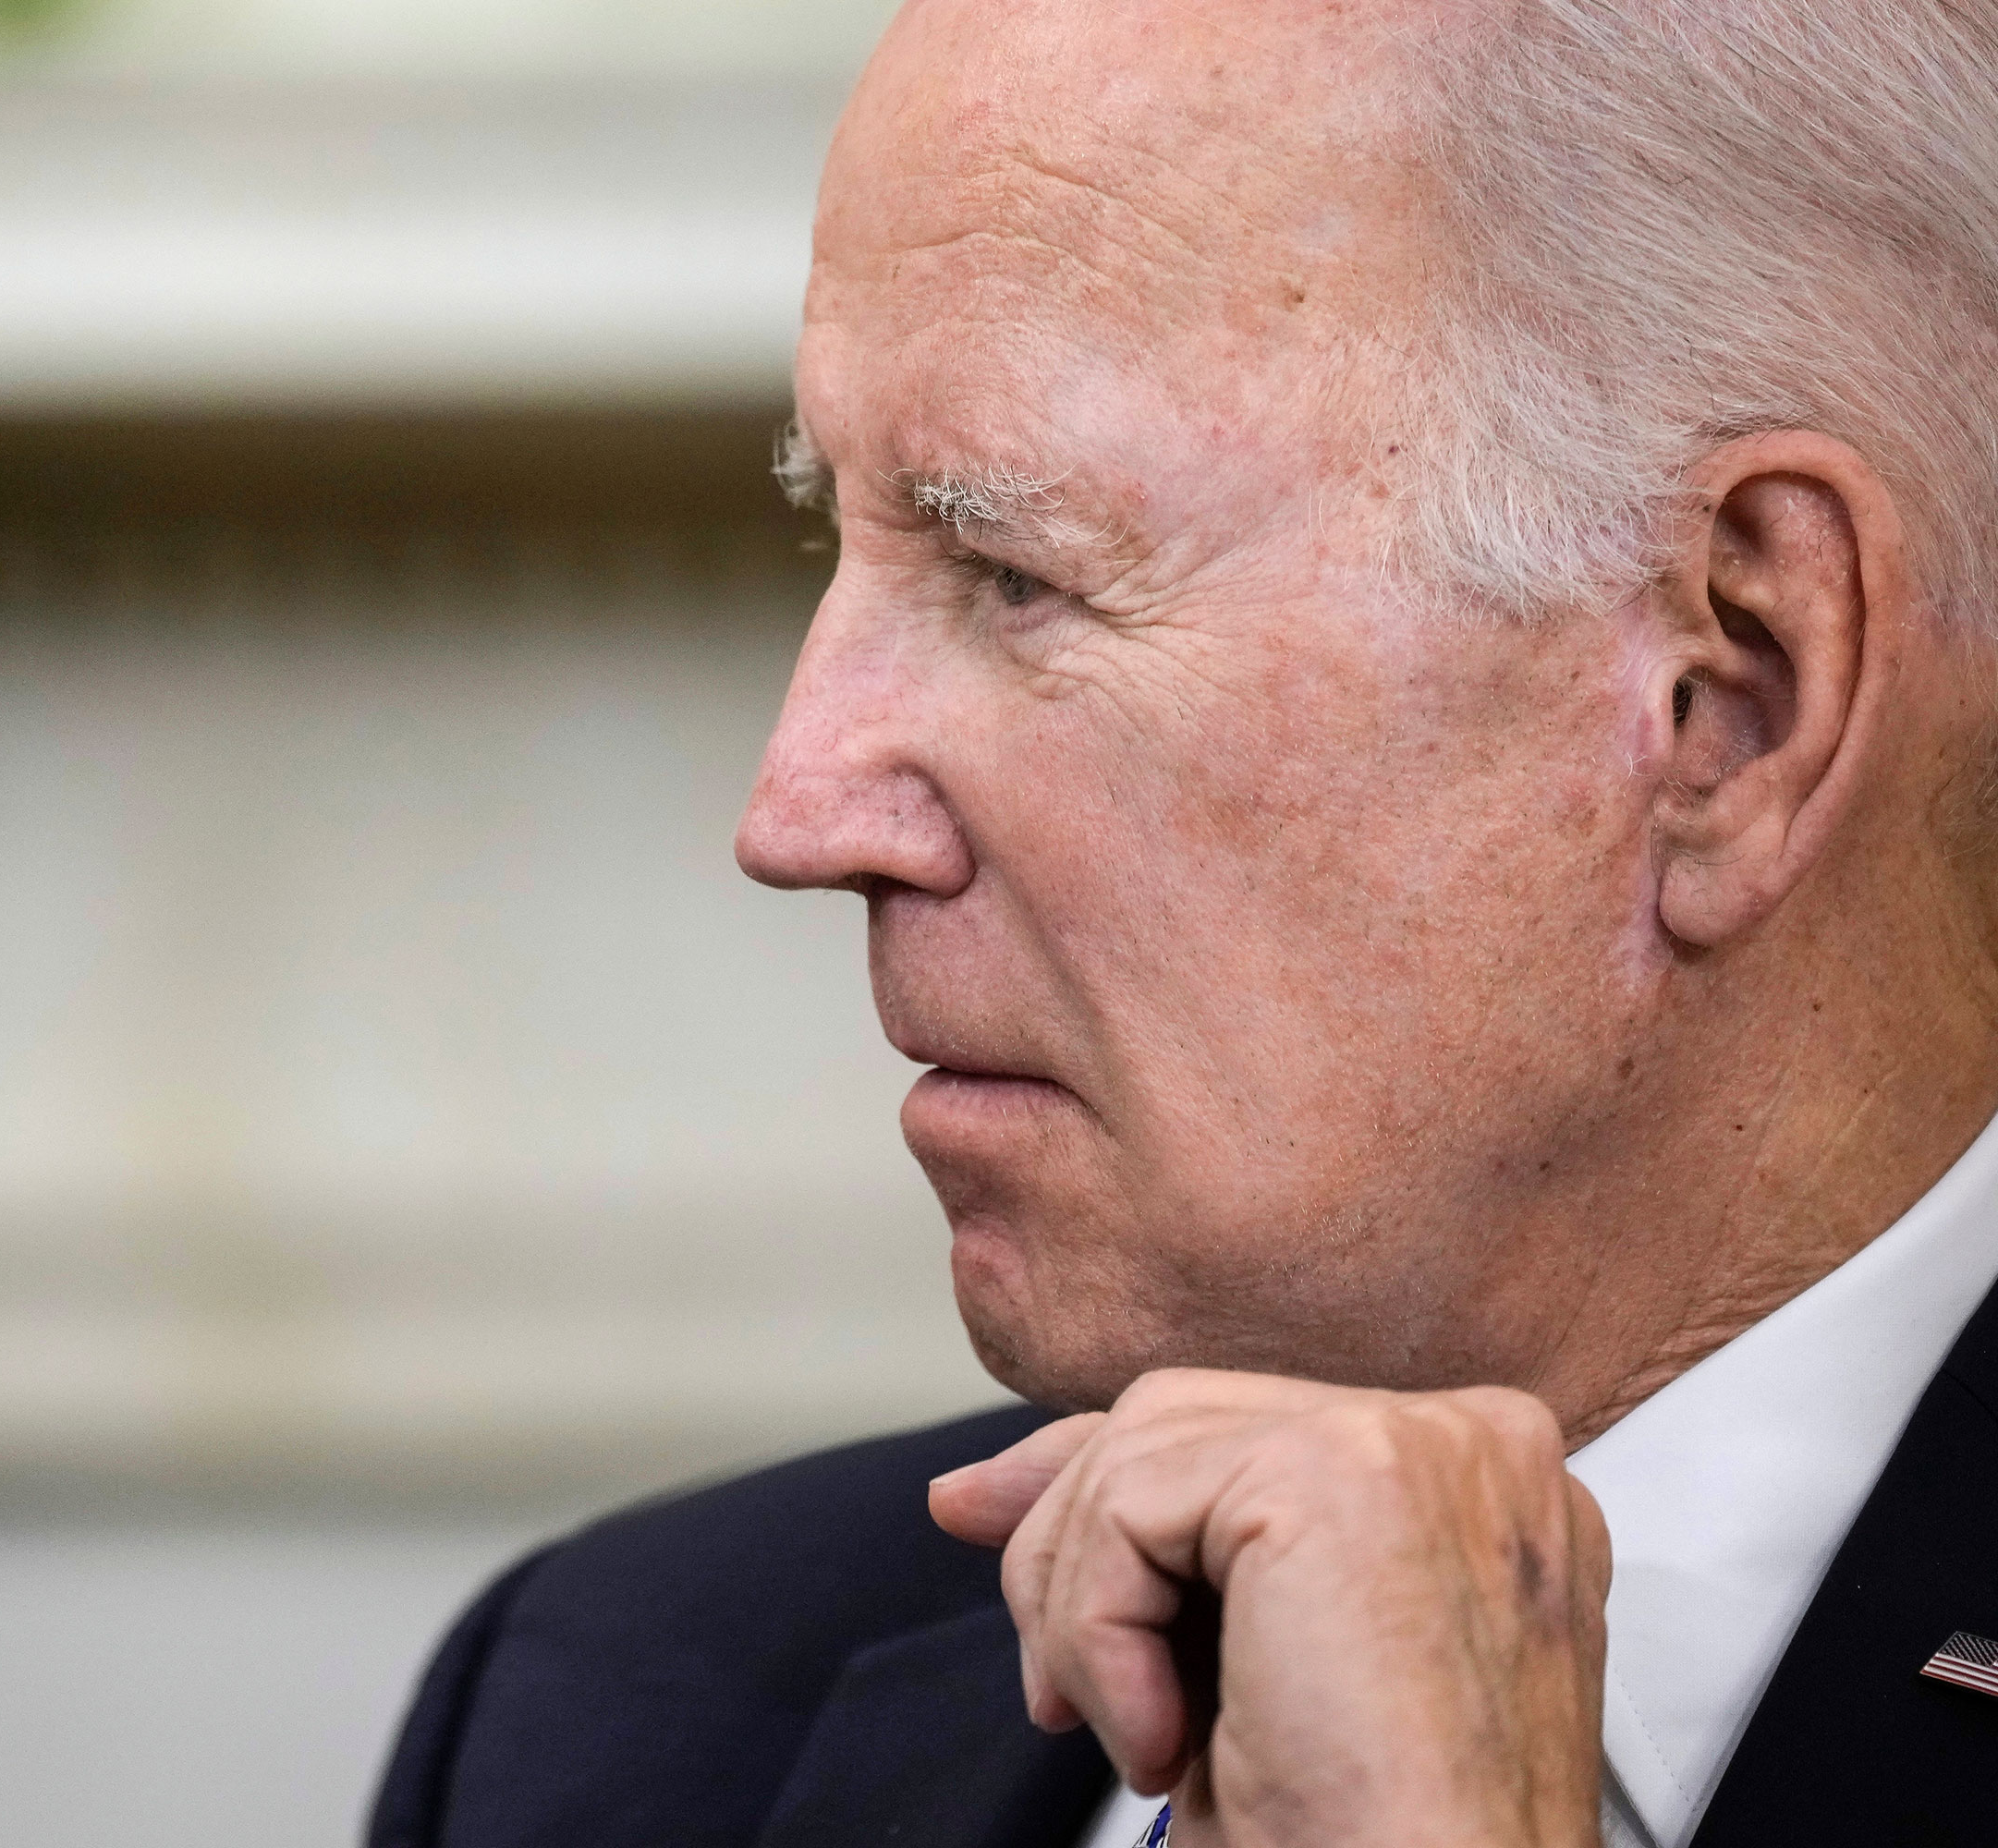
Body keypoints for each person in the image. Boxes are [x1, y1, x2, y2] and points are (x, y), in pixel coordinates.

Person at [370, 1, 1998, 1842]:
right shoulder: (615, 1724)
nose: (799, 813)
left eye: (1013, 572)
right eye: (852, 545)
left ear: (1732, 695)